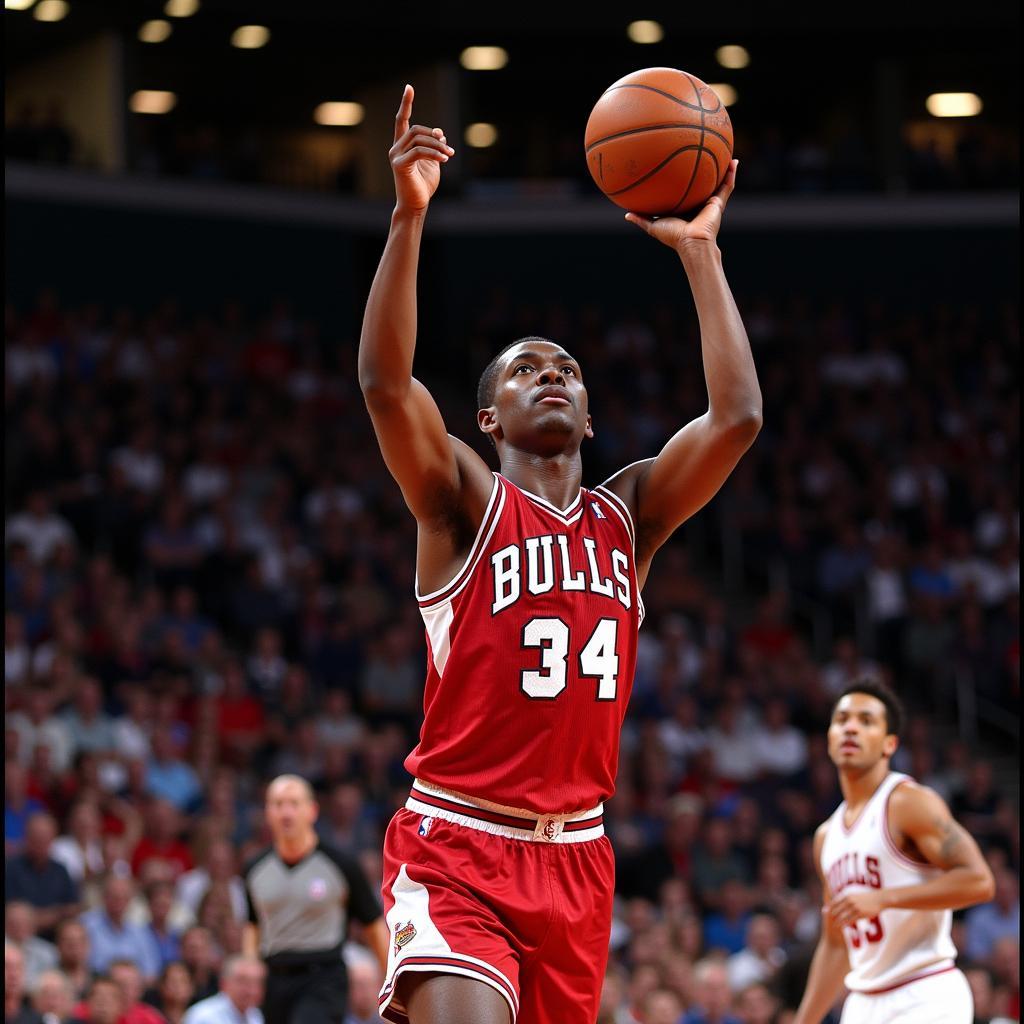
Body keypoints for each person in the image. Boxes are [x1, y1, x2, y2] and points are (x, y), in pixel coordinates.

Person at [358, 84, 760, 1024]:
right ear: (490, 416)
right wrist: (408, 217)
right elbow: (385, 384)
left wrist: (700, 252)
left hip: (578, 858)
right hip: (457, 842)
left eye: (568, 370)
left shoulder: (631, 517)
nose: (553, 376)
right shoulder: (462, 501)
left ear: (588, 414)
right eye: (527, 369)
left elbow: (737, 418)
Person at [793, 680, 995, 1024]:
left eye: (866, 721)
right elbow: (837, 943)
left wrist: (885, 898)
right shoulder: (826, 837)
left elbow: (979, 882)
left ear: (889, 744)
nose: (851, 728)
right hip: (863, 1001)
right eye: (842, 720)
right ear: (829, 738)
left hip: (925, 992)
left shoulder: (906, 802)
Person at [241, 776, 388, 1024]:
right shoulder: (254, 869)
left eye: (294, 803)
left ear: (312, 811)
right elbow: (253, 924)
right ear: (267, 812)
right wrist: (250, 967)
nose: (286, 812)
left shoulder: (342, 866)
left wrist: (390, 981)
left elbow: (373, 925)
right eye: (278, 804)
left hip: (324, 976)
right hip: (274, 978)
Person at [182, 957, 265, 1024]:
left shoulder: (255, 1014)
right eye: (243, 982)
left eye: (257, 983)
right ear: (224, 983)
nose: (252, 990)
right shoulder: (202, 1015)